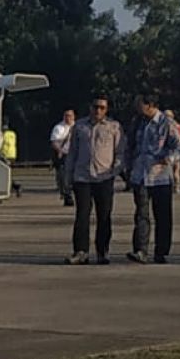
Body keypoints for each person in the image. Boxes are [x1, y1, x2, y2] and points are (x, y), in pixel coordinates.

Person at [63, 96, 124, 265]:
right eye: (96, 107)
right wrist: (67, 177)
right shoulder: (79, 127)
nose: (98, 111)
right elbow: (72, 153)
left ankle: (102, 250)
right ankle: (80, 251)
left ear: (107, 109)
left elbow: (120, 152)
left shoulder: (114, 127)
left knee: (104, 216)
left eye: (102, 108)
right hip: (82, 177)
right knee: (82, 215)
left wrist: (115, 170)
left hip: (104, 177)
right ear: (90, 107)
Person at [126, 93, 180, 265]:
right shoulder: (138, 123)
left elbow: (178, 147)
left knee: (163, 216)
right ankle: (140, 250)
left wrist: (169, 159)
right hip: (140, 176)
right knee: (141, 215)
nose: (137, 108)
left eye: (140, 104)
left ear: (150, 105)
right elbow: (131, 146)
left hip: (160, 176)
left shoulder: (167, 124)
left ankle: (161, 251)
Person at [50, 109, 75, 206]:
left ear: (73, 116)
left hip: (75, 154)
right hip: (64, 155)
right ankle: (67, 195)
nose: (68, 118)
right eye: (66, 115)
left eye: (70, 115)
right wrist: (59, 151)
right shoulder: (59, 128)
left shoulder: (77, 127)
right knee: (63, 176)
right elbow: (54, 142)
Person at [164, 109, 180, 193]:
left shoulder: (165, 126)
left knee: (168, 170)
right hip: (178, 150)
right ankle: (177, 186)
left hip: (169, 151)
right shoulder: (178, 126)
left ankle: (171, 186)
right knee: (176, 170)